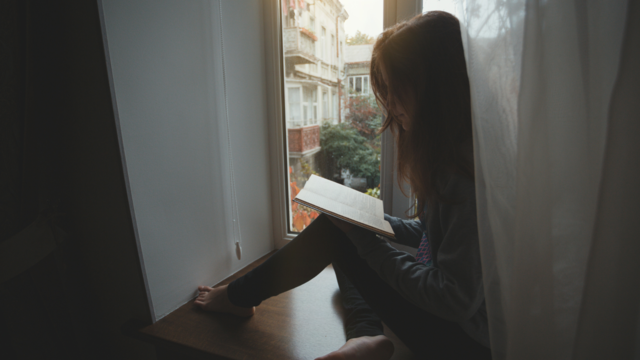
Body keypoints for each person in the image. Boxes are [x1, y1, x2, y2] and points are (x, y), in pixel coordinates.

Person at [195, 11, 492, 360]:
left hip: (465, 344)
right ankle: (366, 337)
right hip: (454, 328)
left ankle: (238, 299)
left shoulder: (465, 174)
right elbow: (431, 234)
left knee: (343, 238)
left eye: (397, 89)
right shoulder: (453, 154)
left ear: (434, 87)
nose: (390, 104)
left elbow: (453, 298)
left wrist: (366, 241)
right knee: (347, 233)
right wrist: (373, 223)